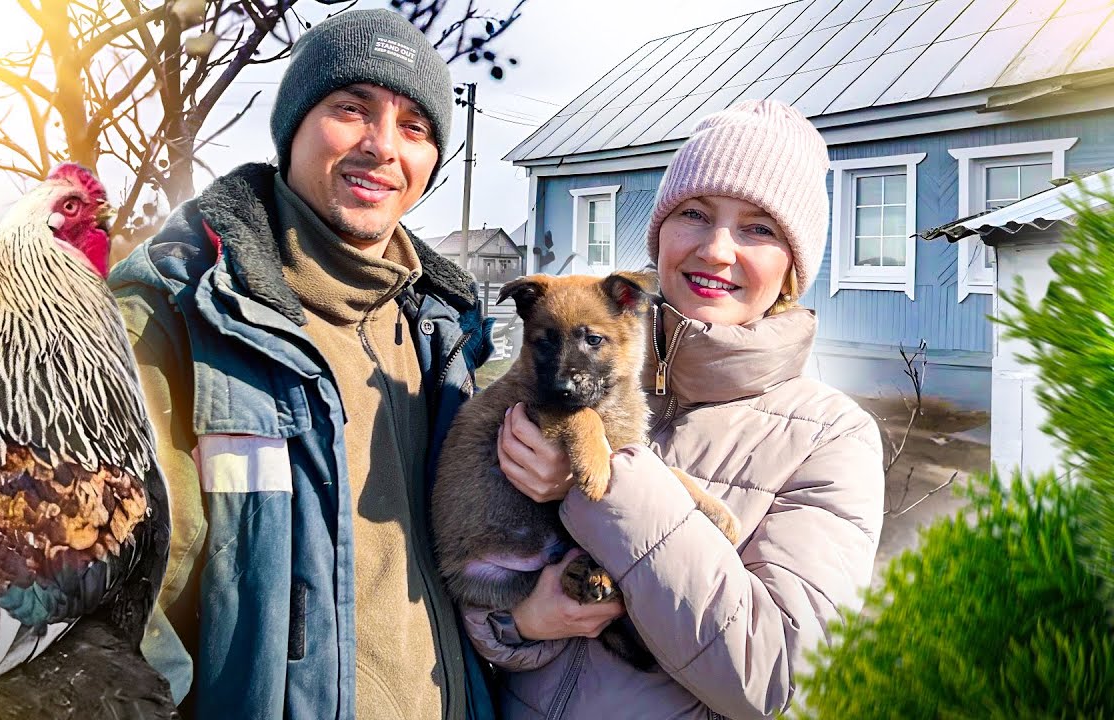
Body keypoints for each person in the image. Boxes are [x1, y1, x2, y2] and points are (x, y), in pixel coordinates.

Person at [107, 9, 496, 720]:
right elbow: (116, 611)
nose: (382, 147)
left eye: (414, 127)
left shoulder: (446, 338)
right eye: (352, 109)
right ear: (294, 127)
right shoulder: (176, 313)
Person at [464, 99, 885, 719]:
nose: (716, 250)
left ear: (792, 270)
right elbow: (466, 577)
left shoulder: (830, 437)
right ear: (659, 235)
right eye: (695, 213)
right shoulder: (567, 383)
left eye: (759, 228)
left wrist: (597, 488)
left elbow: (782, 679)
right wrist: (521, 623)